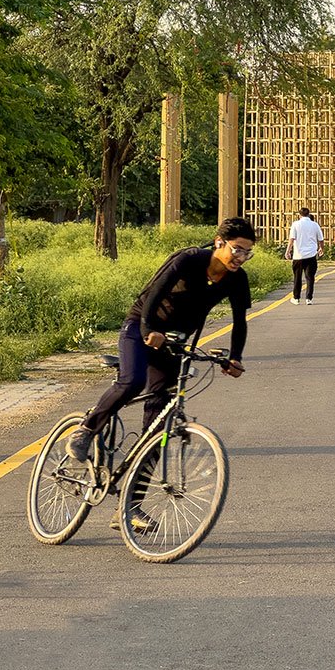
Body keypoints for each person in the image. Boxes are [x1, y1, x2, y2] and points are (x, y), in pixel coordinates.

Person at [62, 218, 257, 528]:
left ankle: (129, 506)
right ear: (219, 242)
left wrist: (235, 357)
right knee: (133, 381)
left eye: (247, 253)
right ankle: (86, 430)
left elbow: (240, 321)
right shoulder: (187, 260)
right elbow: (153, 294)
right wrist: (149, 329)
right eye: (237, 250)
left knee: (158, 428)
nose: (240, 257)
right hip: (140, 328)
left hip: (174, 343)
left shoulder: (236, 280)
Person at [286, 207, 325, 305]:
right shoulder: (314, 225)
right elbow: (321, 239)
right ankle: (309, 298)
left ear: (299, 215)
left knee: (297, 277)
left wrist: (288, 251)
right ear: (308, 214)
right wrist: (321, 249)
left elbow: (292, 239)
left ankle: (296, 298)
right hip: (311, 255)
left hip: (298, 255)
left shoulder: (295, 224)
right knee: (310, 277)